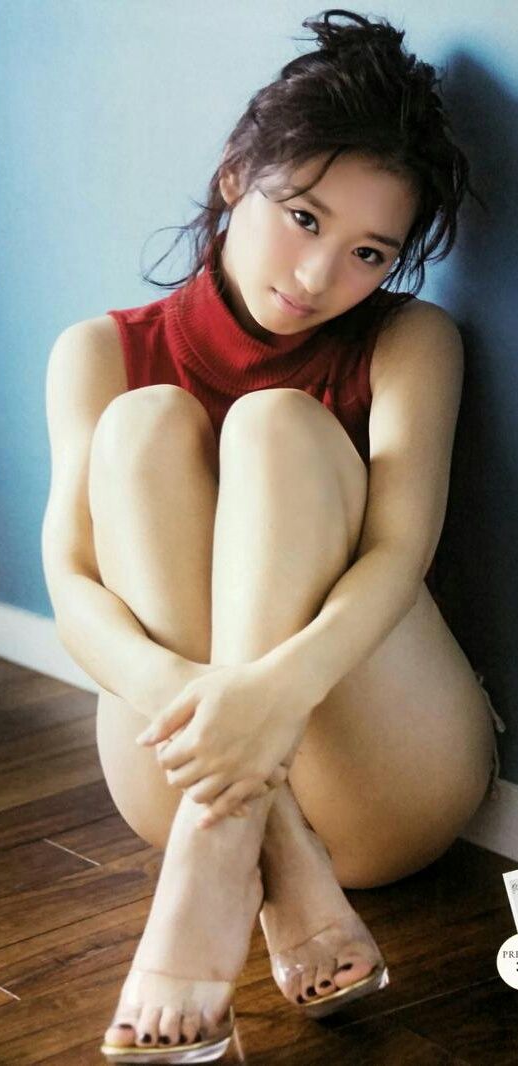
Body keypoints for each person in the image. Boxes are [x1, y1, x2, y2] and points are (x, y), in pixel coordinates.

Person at [42, 8, 506, 1062]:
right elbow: (70, 583)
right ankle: (260, 845)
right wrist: (219, 719)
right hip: (175, 763)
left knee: (274, 426)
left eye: (367, 252)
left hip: (388, 781)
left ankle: (209, 866)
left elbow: (397, 556)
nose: (315, 277)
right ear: (232, 176)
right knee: (143, 425)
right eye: (302, 217)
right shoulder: (98, 352)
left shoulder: (410, 340)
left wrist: (265, 695)